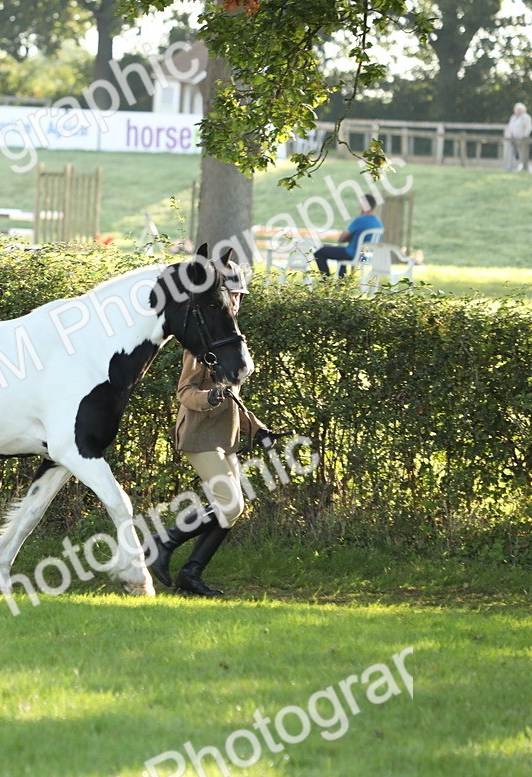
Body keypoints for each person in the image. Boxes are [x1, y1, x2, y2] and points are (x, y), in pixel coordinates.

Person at [146, 253, 282, 597]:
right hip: (199, 435)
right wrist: (209, 398)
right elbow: (185, 392)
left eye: (239, 296)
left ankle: (191, 573)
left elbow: (233, 397)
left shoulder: (228, 337)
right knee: (230, 503)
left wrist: (257, 428)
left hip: (225, 437)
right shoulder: (204, 339)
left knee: (233, 509)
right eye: (233, 295)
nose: (237, 301)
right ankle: (163, 542)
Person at [312, 194, 383, 279]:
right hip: (367, 255)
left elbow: (342, 237)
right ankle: (342, 284)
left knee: (320, 252)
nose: (359, 207)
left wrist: (345, 239)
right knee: (340, 255)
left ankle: (327, 283)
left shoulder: (360, 220)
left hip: (353, 253)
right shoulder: (378, 222)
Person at [504, 102, 532, 172]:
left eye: (519, 110)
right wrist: (509, 135)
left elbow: (528, 128)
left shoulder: (526, 118)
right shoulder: (513, 117)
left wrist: (525, 136)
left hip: (521, 139)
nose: (518, 111)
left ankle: (525, 169)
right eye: (517, 109)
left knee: (523, 155)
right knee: (510, 155)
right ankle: (509, 169)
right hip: (512, 138)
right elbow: (510, 127)